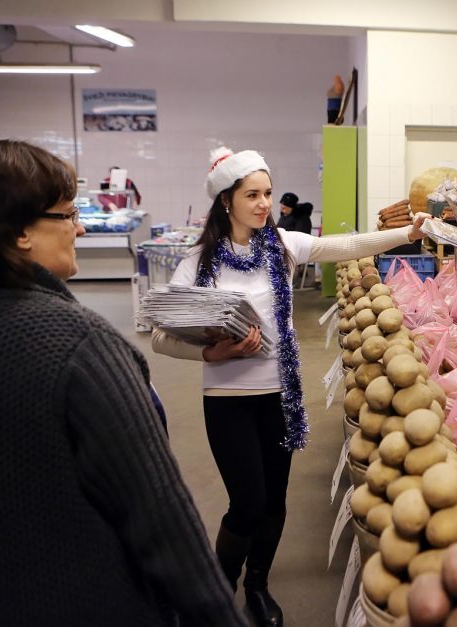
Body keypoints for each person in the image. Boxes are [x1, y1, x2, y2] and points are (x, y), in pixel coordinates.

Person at [0, 139, 248, 626]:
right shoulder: (78, 345)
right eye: (66, 214)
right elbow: (159, 515)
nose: (79, 227)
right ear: (18, 231)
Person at [150, 146, 425, 626]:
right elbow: (161, 337)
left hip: (280, 397)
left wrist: (407, 233)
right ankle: (219, 588)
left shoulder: (282, 245)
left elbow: (348, 246)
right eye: (252, 195)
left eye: (268, 194)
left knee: (274, 502)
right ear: (225, 202)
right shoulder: (197, 264)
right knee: (248, 502)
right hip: (228, 400)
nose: (263, 204)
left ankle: (258, 584)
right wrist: (208, 353)